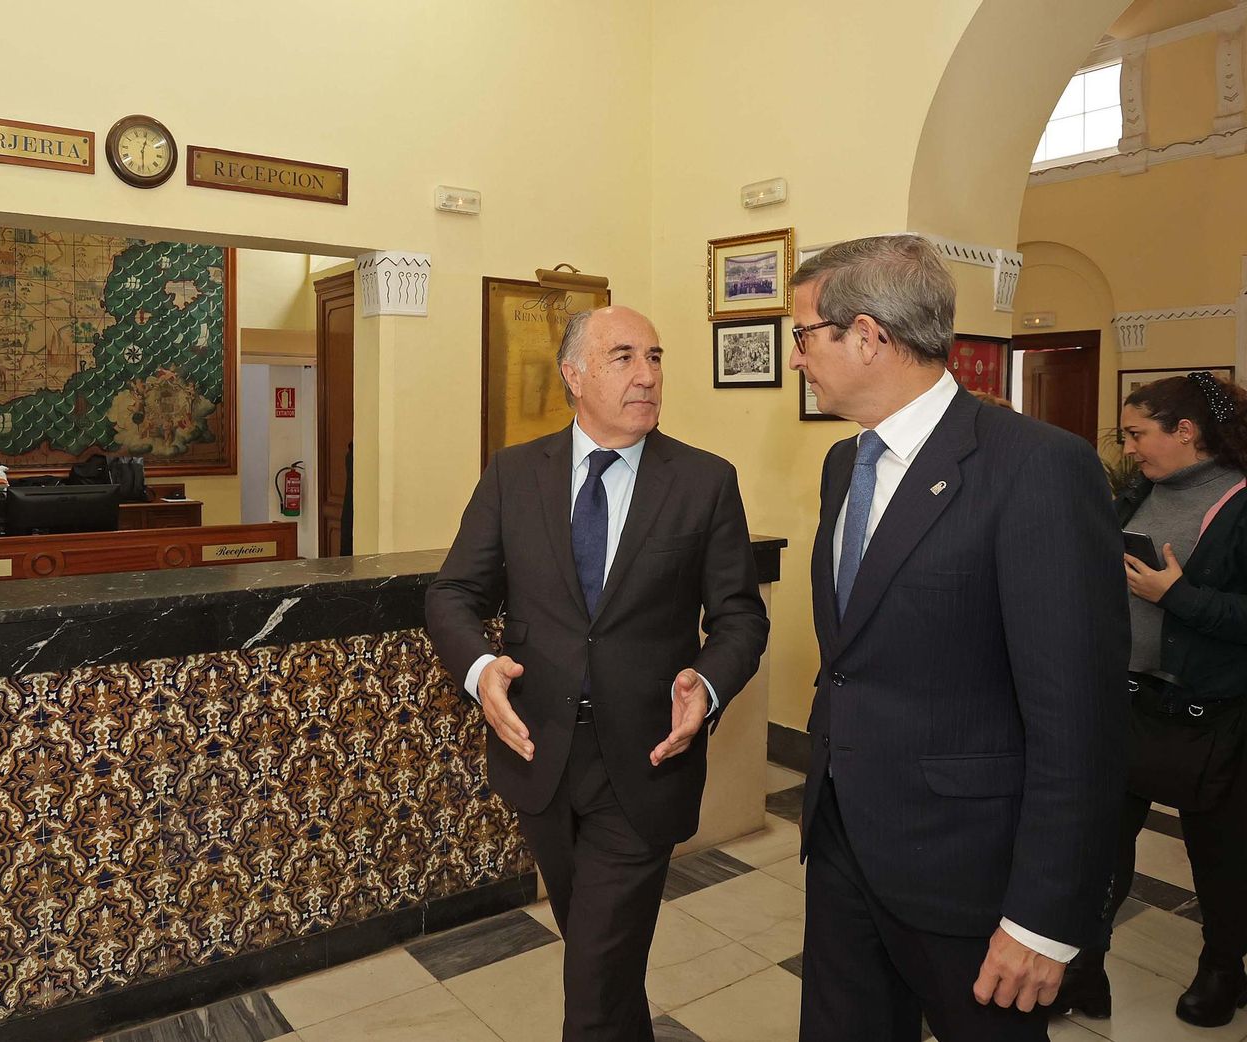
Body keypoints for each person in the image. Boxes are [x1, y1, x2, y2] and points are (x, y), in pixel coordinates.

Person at [788, 235, 1128, 1042]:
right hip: (842, 842)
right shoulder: (845, 464)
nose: (796, 358)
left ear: (865, 336)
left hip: (967, 873)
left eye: (803, 335)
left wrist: (1043, 920)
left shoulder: (1036, 468)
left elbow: (1077, 716)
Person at [426, 305, 769, 1041]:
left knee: (592, 973)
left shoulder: (704, 482)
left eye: (654, 356)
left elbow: (740, 618)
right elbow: (453, 592)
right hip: (538, 752)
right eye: (622, 358)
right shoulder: (515, 474)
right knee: (599, 951)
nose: (647, 375)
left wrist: (706, 686)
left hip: (645, 761)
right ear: (573, 376)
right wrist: (481, 669)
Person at [1051, 373, 1247, 1028]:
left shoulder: (1240, 502)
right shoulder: (1140, 492)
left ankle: (1223, 970)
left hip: (1214, 717)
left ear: (1185, 431)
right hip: (1127, 703)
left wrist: (1178, 598)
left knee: (1218, 856)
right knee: (1098, 845)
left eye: (1139, 434)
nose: (1130, 448)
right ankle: (1082, 972)